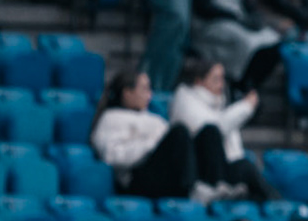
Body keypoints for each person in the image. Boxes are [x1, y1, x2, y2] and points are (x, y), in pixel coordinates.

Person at [91, 70, 241, 201]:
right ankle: (192, 188)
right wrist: (151, 144)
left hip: (169, 173)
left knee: (210, 131)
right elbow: (112, 156)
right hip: (139, 179)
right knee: (179, 131)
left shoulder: (154, 118)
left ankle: (218, 185)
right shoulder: (110, 118)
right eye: (144, 89)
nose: (149, 95)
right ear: (127, 93)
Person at [167, 57, 274, 201]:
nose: (222, 84)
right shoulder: (184, 99)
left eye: (223, 78)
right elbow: (216, 129)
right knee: (213, 135)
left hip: (221, 168)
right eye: (216, 79)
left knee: (246, 168)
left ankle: (277, 208)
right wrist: (245, 107)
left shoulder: (219, 106)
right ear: (199, 81)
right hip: (199, 172)